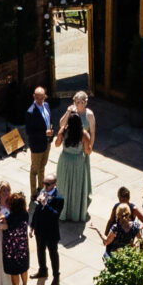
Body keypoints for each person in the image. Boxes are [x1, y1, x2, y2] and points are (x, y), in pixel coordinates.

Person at [55, 92, 95, 221]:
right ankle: (76, 213)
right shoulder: (84, 134)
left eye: (82, 101)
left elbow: (56, 144)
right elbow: (88, 151)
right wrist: (88, 148)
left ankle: (63, 212)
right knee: (77, 187)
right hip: (78, 160)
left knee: (64, 186)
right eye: (77, 101)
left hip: (65, 160)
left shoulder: (63, 131)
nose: (80, 104)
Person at [20, 87, 56, 197]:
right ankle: (33, 193)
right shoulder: (30, 112)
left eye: (42, 97)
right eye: (38, 98)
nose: (40, 100)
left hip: (47, 143)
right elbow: (29, 131)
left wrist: (51, 133)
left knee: (42, 167)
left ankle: (41, 188)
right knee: (34, 169)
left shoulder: (47, 105)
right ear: (34, 97)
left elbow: (49, 121)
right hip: (37, 144)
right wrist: (45, 133)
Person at [29, 183, 64, 285]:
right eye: (45, 184)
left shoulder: (59, 198)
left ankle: (56, 276)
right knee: (40, 251)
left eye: (48, 184)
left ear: (54, 184)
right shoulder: (43, 193)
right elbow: (37, 211)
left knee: (53, 253)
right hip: (40, 230)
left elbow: (55, 215)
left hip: (51, 232)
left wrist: (46, 204)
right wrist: (32, 225)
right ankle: (42, 270)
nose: (45, 186)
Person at [0, 191, 32, 285]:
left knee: (14, 272)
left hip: (11, 250)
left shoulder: (8, 219)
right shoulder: (25, 214)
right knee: (23, 268)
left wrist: (0, 220)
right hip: (22, 247)